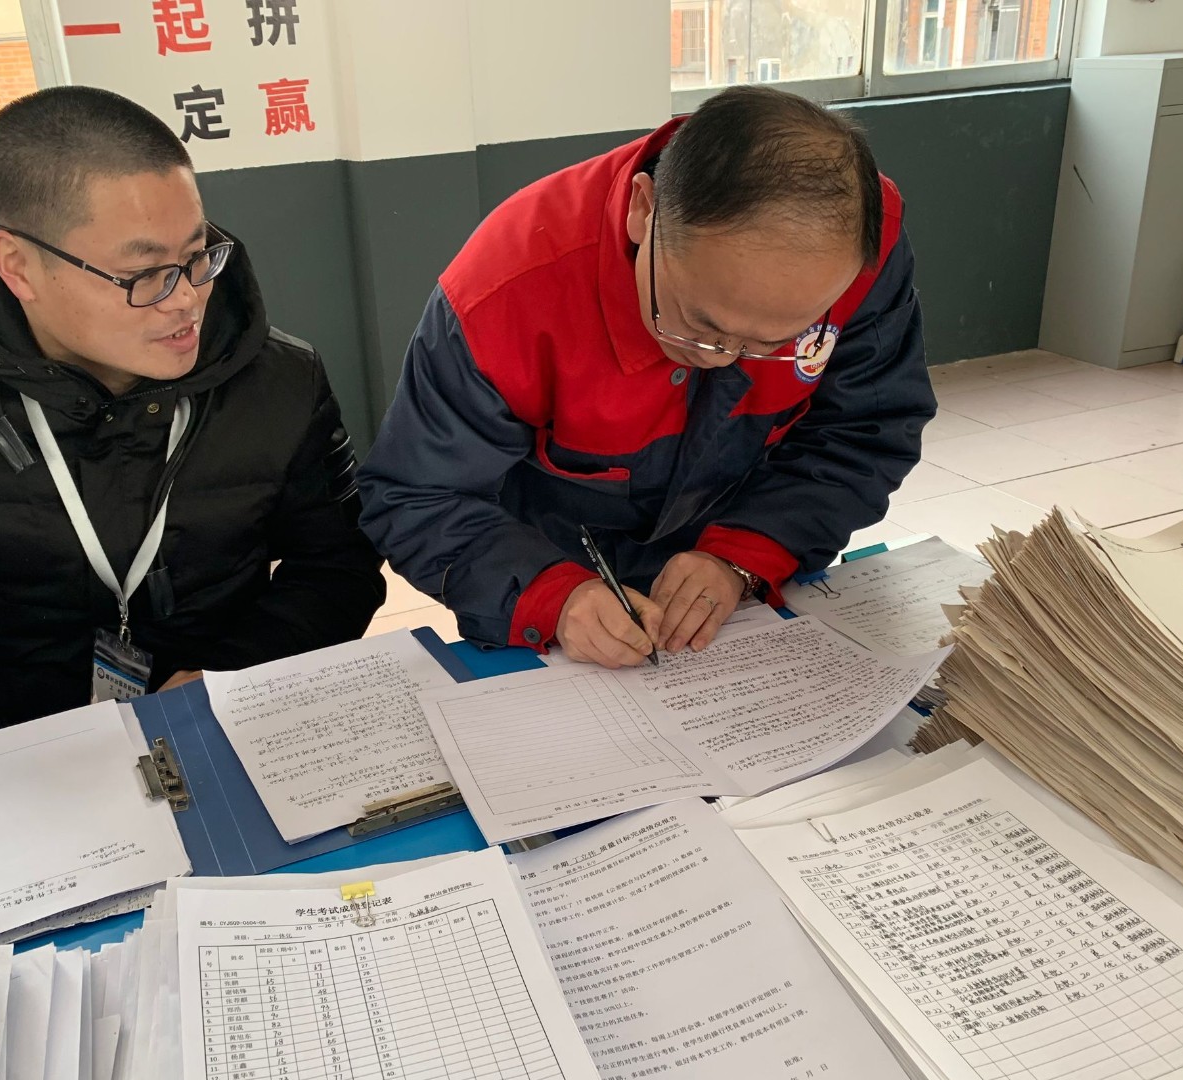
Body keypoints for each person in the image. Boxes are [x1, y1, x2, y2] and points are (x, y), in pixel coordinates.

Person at [0, 86, 384, 755]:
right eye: (144, 274)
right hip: (17, 732)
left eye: (199, 255)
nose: (187, 300)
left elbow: (338, 566)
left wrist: (232, 679)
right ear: (18, 267)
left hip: (231, 715)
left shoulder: (280, 377)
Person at [358, 87, 935, 668]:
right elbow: (418, 495)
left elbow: (865, 430)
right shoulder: (504, 291)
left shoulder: (862, 244)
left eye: (775, 341)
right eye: (700, 324)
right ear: (643, 209)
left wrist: (747, 552)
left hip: (746, 569)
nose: (725, 357)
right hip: (556, 569)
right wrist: (551, 596)